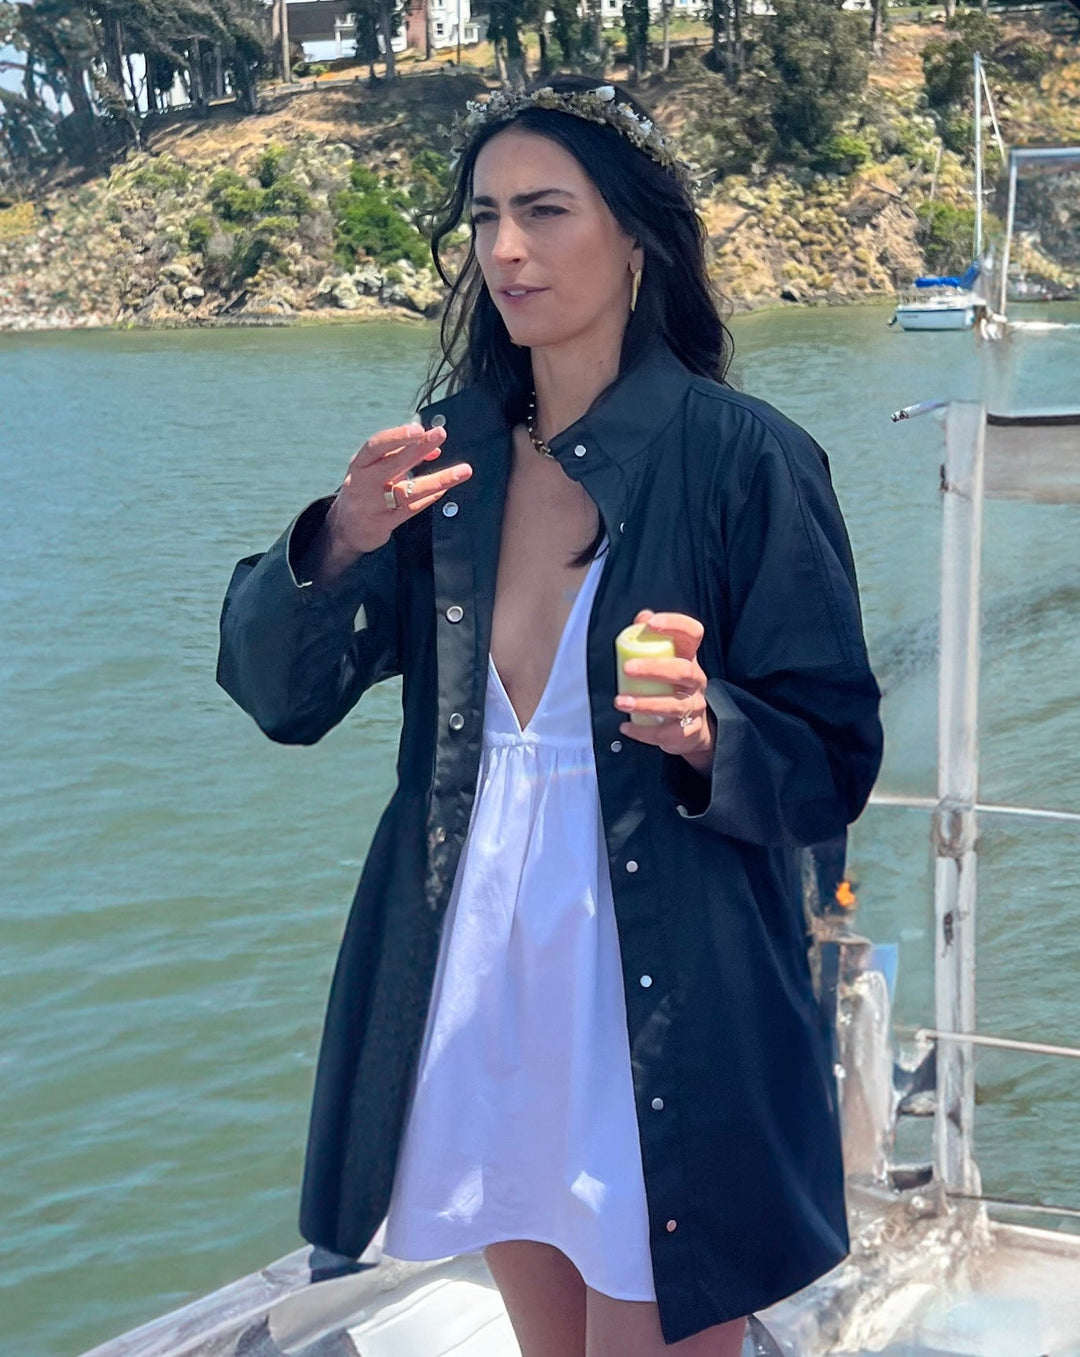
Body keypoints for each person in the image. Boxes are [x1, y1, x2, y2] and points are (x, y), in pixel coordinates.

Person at [216, 75, 884, 1355]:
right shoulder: (441, 466)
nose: (505, 250)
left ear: (636, 236)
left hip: (661, 978)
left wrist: (709, 733)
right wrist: (338, 542)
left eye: (544, 211)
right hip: (484, 964)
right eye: (483, 218)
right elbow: (280, 696)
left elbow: (834, 753)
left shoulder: (747, 458)